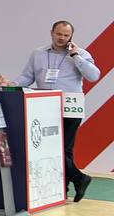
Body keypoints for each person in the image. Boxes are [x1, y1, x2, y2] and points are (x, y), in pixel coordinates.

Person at [16, 21, 100, 202]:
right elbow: (27, 77)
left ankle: (72, 183)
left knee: (64, 148)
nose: (62, 38)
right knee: (49, 147)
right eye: (59, 34)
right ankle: (74, 182)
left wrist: (76, 56)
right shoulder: (38, 53)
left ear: (71, 36)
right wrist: (12, 85)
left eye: (66, 35)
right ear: (52, 33)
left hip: (70, 106)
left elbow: (94, 76)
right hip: (44, 106)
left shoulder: (81, 54)